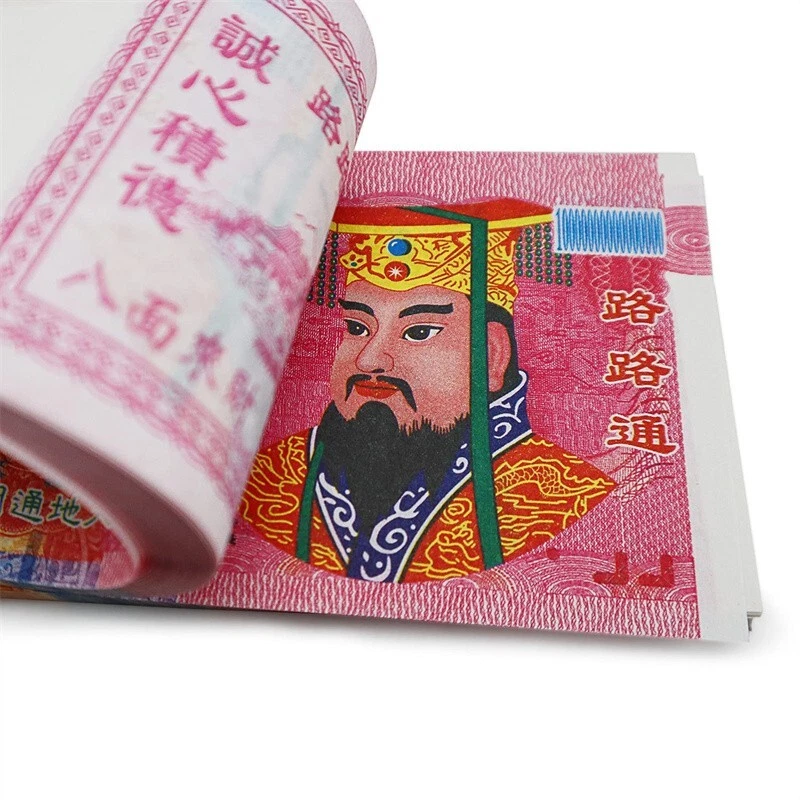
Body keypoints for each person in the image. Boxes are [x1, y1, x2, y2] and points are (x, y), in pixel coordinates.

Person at [241, 199, 615, 583]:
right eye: (357, 327)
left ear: (491, 354)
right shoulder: (271, 473)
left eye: (419, 332)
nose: (369, 359)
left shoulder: (566, 496)